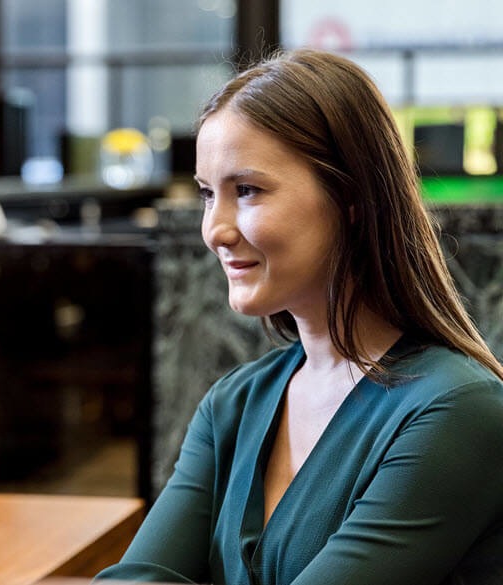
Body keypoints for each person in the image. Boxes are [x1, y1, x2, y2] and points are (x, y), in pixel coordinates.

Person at [95, 48, 503, 585]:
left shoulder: (457, 410)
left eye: (247, 190)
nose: (214, 230)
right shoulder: (235, 404)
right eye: (205, 195)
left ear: (352, 199)